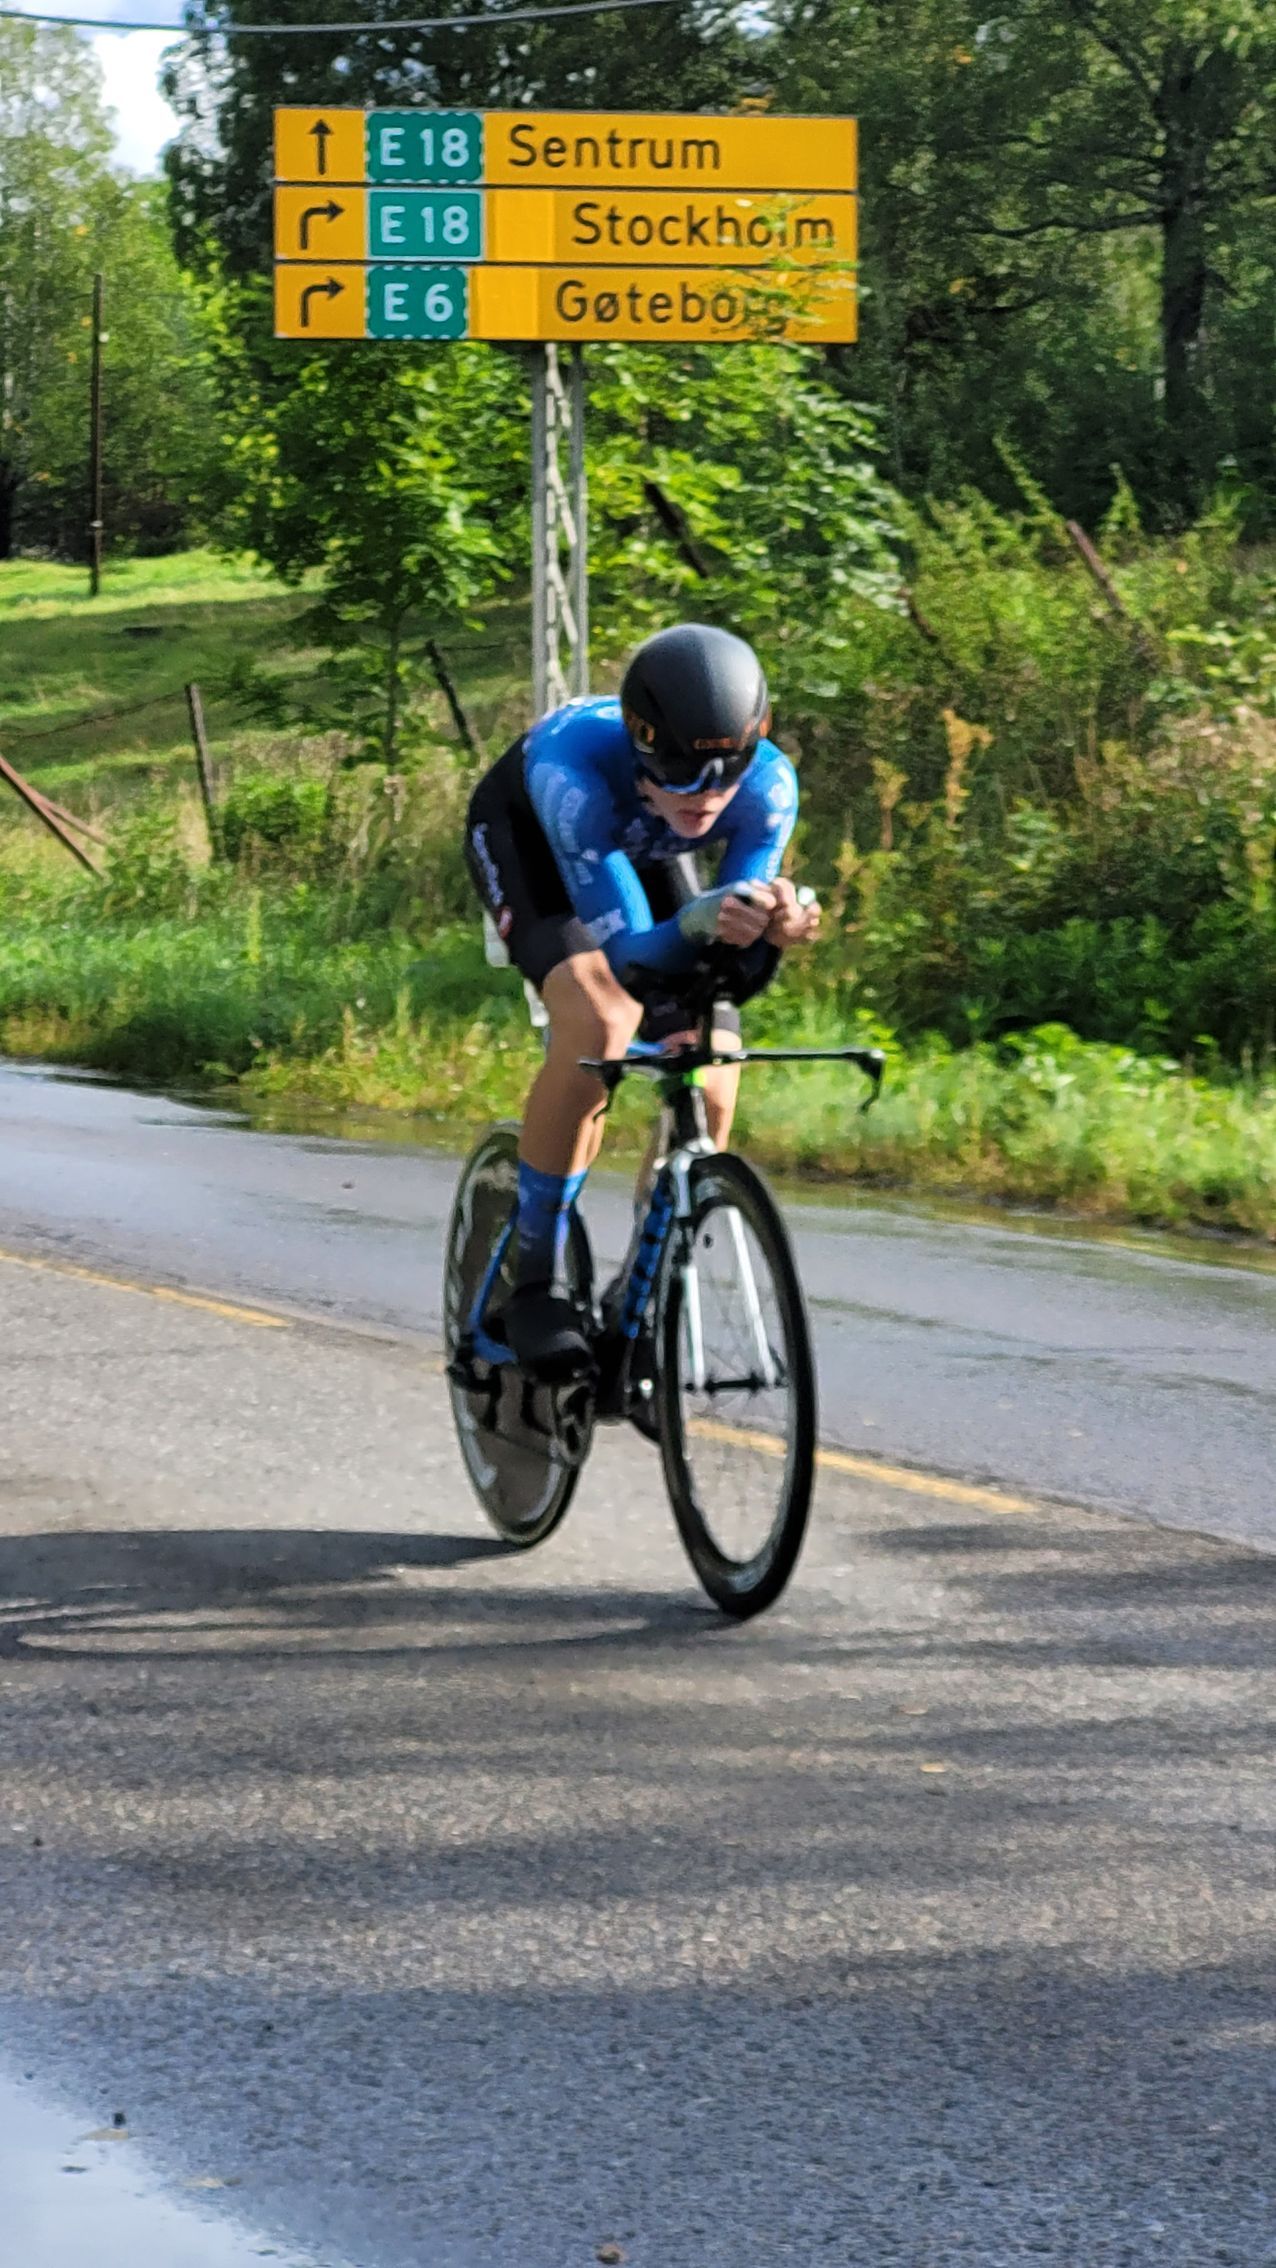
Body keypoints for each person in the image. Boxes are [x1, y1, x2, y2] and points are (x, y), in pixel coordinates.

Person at [464, 621, 821, 1379]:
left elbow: (730, 964)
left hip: (641, 849)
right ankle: (536, 1278)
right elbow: (628, 960)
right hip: (541, 846)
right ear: (642, 748)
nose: (708, 797)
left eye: (726, 773)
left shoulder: (768, 787)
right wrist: (700, 921)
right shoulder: (575, 776)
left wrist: (773, 929)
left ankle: (645, 1293)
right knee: (601, 1021)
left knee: (714, 1066)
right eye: (684, 773)